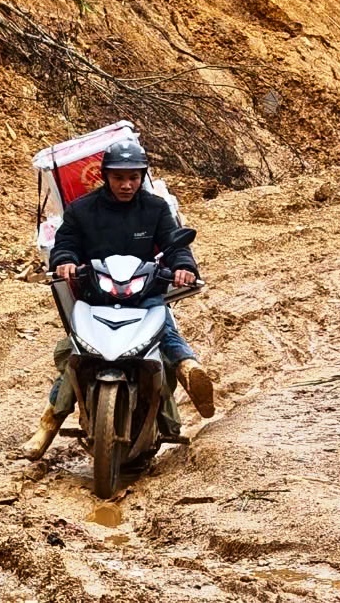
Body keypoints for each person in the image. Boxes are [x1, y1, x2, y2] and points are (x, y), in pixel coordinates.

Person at [20, 138, 215, 461]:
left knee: (166, 332)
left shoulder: (155, 208)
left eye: (134, 177)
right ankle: (48, 425)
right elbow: (65, 242)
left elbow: (176, 244)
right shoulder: (82, 210)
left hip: (144, 294)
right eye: (119, 177)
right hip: (96, 297)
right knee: (74, 353)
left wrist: (183, 267)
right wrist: (65, 260)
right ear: (105, 175)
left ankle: (189, 370)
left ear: (142, 176)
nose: (127, 185)